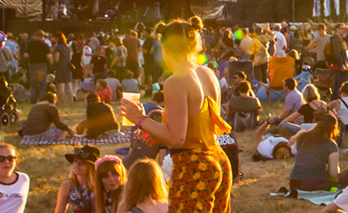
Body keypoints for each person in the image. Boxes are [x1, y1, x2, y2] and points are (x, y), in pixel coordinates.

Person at [121, 20, 232, 213]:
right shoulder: (208, 73)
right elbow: (195, 122)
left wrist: (140, 118)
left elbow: (177, 137)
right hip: (218, 158)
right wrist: (152, 128)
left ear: (165, 49)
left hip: (195, 167)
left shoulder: (176, 80)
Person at [287, 114, 341, 194]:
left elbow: (291, 143)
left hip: (294, 183)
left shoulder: (303, 136)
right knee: (343, 179)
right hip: (313, 183)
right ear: (334, 129)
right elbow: (333, 173)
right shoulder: (331, 144)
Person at [55, 146, 100, 213]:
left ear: (91, 167)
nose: (77, 165)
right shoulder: (67, 185)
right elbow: (59, 211)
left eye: (83, 163)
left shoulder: (100, 184)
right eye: (75, 161)